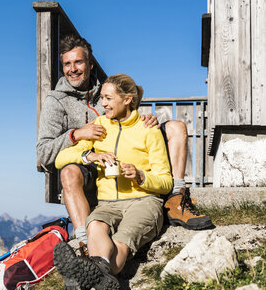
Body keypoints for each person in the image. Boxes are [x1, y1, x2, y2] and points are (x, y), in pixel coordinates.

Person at [36, 35, 212, 251]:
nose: (73, 69)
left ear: (90, 64)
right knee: (69, 172)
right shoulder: (56, 102)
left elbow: (127, 119)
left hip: (124, 165)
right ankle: (83, 241)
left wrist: (146, 118)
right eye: (67, 64)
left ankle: (176, 199)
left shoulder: (107, 89)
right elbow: (44, 153)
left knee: (176, 127)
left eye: (78, 62)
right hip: (89, 168)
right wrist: (76, 134)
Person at [53, 74, 173, 290]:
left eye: (108, 98)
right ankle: (100, 278)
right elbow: (60, 160)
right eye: (102, 98)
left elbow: (165, 182)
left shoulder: (148, 130)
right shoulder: (99, 126)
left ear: (127, 99)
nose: (103, 103)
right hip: (107, 203)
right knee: (95, 225)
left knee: (123, 238)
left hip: (144, 201)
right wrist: (89, 156)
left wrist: (140, 176)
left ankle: (83, 279)